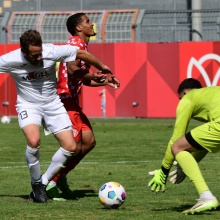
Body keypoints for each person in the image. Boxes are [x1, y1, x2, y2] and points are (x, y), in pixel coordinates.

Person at [0, 29, 112, 203]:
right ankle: (36, 183)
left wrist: (102, 67)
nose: (39, 58)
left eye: (40, 54)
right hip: (28, 105)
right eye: (34, 55)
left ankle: (42, 184)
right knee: (34, 141)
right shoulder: (10, 59)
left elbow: (81, 53)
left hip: (53, 104)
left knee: (70, 147)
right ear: (23, 52)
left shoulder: (51, 51)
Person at [46, 13, 120, 201]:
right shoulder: (76, 44)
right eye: (87, 21)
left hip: (72, 102)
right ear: (79, 28)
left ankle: (59, 177)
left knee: (88, 142)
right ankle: (50, 183)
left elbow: (82, 78)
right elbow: (72, 69)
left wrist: (103, 81)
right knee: (75, 147)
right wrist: (98, 72)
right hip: (64, 100)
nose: (92, 24)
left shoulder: (81, 46)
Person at [148, 78, 220, 214]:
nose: (180, 102)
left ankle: (206, 197)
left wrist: (164, 170)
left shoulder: (188, 99)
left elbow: (176, 140)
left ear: (185, 93)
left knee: (177, 147)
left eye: (180, 98)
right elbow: (206, 143)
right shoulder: (212, 94)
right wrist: (185, 165)